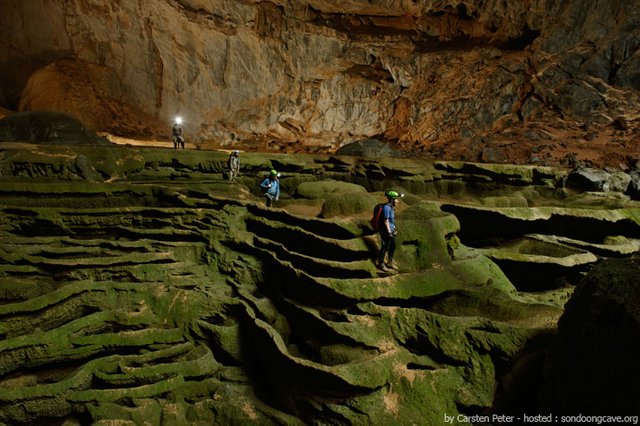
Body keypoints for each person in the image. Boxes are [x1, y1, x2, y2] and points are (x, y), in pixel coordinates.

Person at [376, 190, 403, 271]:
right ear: (391, 200)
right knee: (385, 247)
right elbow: (385, 220)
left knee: (393, 246)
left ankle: (389, 263)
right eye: (396, 199)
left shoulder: (391, 207)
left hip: (391, 231)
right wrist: (388, 232)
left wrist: (393, 228)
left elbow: (391, 221)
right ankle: (381, 264)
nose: (397, 201)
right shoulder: (386, 208)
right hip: (386, 231)